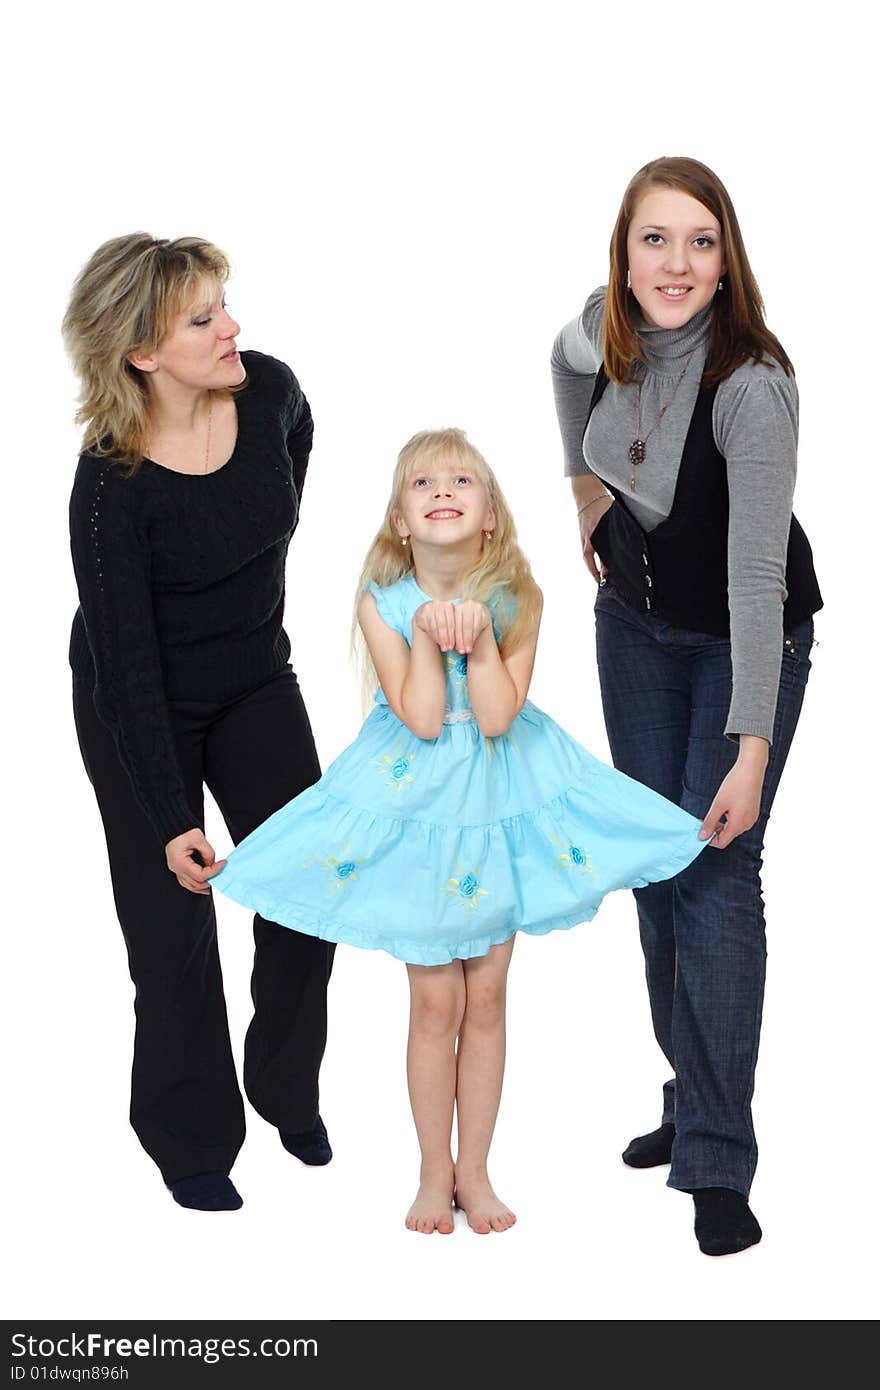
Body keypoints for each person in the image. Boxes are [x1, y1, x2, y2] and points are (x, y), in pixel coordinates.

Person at [210, 427, 710, 1235]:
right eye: (422, 484)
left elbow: (498, 713)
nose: (442, 490)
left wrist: (476, 639)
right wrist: (423, 637)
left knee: (487, 1000)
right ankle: (430, 1170)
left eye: (462, 481)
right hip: (418, 809)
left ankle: (475, 1171)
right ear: (401, 522)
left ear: (489, 518)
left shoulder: (518, 596)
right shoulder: (381, 597)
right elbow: (416, 716)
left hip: (498, 801)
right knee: (434, 1002)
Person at [551, 156, 823, 1255]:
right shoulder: (599, 330)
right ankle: (690, 1094)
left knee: (712, 867)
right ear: (622, 255)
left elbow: (755, 580)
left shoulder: (752, 387)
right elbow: (563, 370)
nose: (676, 264)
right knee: (651, 861)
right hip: (635, 627)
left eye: (700, 242)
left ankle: (716, 1153)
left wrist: (749, 750)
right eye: (654, 240)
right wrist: (583, 496)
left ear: (728, 260)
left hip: (740, 638)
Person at [64, 234, 334, 1212]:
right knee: (170, 932)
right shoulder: (109, 486)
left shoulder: (267, 393)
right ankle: (189, 1137)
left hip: (255, 675)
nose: (234, 329)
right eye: (203, 319)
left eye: (225, 304)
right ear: (141, 351)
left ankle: (283, 1085)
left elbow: (292, 454)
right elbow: (127, 668)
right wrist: (176, 813)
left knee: (310, 886)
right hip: (144, 703)